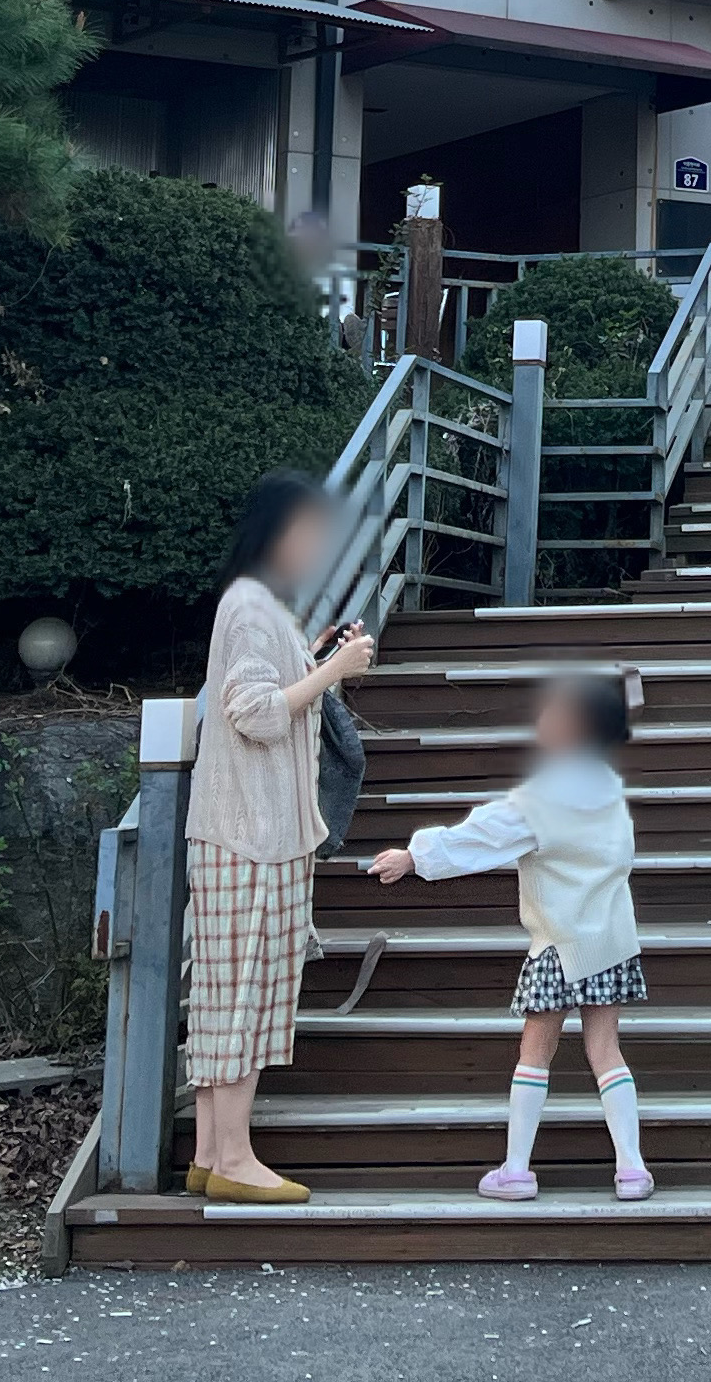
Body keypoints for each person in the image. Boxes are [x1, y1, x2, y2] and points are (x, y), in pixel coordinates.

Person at [370, 670, 651, 1201]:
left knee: (535, 1051)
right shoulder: (609, 789)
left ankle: (516, 1169)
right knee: (606, 1050)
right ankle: (631, 1169)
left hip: (559, 942)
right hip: (610, 940)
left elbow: (486, 833)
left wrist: (416, 856)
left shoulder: (543, 798)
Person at [185, 471, 374, 1204]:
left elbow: (264, 693)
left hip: (249, 834)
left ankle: (210, 1153)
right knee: (246, 997)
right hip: (251, 837)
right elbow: (256, 712)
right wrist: (333, 671)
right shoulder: (251, 605)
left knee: (230, 996)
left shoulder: (256, 605)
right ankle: (233, 1159)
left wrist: (315, 658)